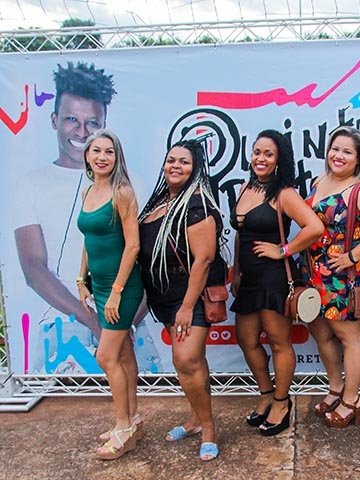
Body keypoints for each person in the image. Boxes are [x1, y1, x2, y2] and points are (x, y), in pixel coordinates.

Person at [13, 62, 160, 374]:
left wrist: (124, 323)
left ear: (104, 124)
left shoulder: (133, 184)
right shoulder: (30, 184)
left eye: (92, 122)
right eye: (71, 119)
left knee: (143, 396)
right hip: (64, 323)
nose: (81, 132)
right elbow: (33, 268)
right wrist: (93, 321)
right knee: (65, 405)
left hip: (127, 317)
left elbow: (149, 258)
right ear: (54, 120)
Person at [230, 129, 323, 437]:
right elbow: (241, 234)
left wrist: (283, 250)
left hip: (273, 278)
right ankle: (267, 394)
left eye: (268, 154)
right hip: (248, 278)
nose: (261, 158)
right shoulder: (245, 187)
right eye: (257, 152)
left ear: (279, 159)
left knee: (279, 342)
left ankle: (282, 403)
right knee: (246, 339)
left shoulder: (284, 193)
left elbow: (314, 227)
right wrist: (236, 270)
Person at [138, 139, 226, 461]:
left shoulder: (197, 205)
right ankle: (193, 419)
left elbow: (203, 259)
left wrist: (187, 307)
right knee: (190, 363)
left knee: (186, 359)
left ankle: (209, 428)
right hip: (163, 296)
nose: (176, 166)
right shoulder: (158, 202)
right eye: (171, 160)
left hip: (190, 297)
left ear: (196, 168)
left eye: (184, 162)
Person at [302, 126, 360, 429]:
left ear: (358, 158)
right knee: (322, 334)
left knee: (350, 338)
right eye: (335, 148)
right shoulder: (319, 181)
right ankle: (336, 387)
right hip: (314, 274)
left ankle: (352, 399)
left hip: (343, 277)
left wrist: (354, 256)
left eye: (347, 151)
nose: (338, 155)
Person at [76, 130, 144, 459]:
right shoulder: (88, 190)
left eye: (109, 152)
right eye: (97, 151)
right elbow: (88, 240)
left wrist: (116, 292)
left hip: (123, 287)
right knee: (124, 353)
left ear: (117, 158)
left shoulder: (123, 193)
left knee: (106, 357)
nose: (102, 157)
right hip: (100, 285)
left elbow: (133, 246)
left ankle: (122, 427)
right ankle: (133, 417)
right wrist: (81, 279)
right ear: (87, 155)